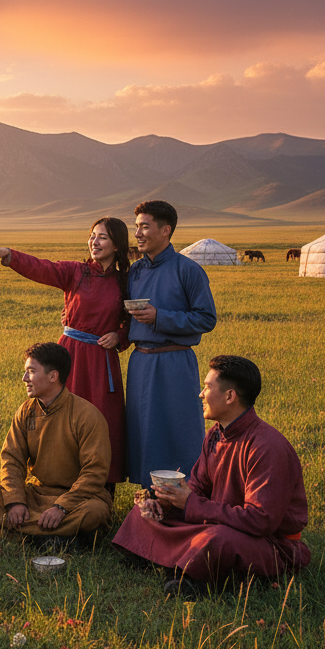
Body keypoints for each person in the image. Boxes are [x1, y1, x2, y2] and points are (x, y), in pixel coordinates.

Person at [113, 356, 310, 597]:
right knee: (144, 513)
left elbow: (261, 521)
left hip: (269, 543)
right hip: (219, 522)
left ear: (230, 397)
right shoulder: (216, 434)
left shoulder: (267, 447)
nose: (200, 394)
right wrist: (165, 503)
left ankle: (189, 575)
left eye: (207, 387)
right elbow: (198, 486)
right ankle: (183, 563)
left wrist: (191, 504)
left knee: (218, 539)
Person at [0, 217, 131, 494]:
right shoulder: (76, 272)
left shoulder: (126, 281)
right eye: (92, 236)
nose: (94, 242)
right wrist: (10, 256)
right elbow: (43, 268)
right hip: (70, 356)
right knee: (62, 418)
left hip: (101, 360)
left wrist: (120, 336)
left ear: (118, 245)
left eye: (103, 237)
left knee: (104, 419)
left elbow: (134, 319)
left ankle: (103, 488)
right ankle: (59, 483)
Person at [0, 342, 112, 548]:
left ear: (53, 376)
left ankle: (27, 533)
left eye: (31, 372)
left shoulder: (87, 415)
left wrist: (61, 507)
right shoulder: (26, 411)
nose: (24, 378)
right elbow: (12, 459)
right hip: (37, 495)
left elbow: (95, 473)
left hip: (78, 499)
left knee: (94, 513)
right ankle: (53, 537)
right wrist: (15, 501)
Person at [125, 200, 216, 488]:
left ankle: (186, 495)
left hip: (175, 362)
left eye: (144, 226)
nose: (137, 233)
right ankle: (147, 496)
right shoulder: (135, 271)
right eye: (136, 226)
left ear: (165, 230)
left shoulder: (188, 270)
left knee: (179, 430)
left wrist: (159, 317)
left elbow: (206, 319)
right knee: (142, 430)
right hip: (140, 362)